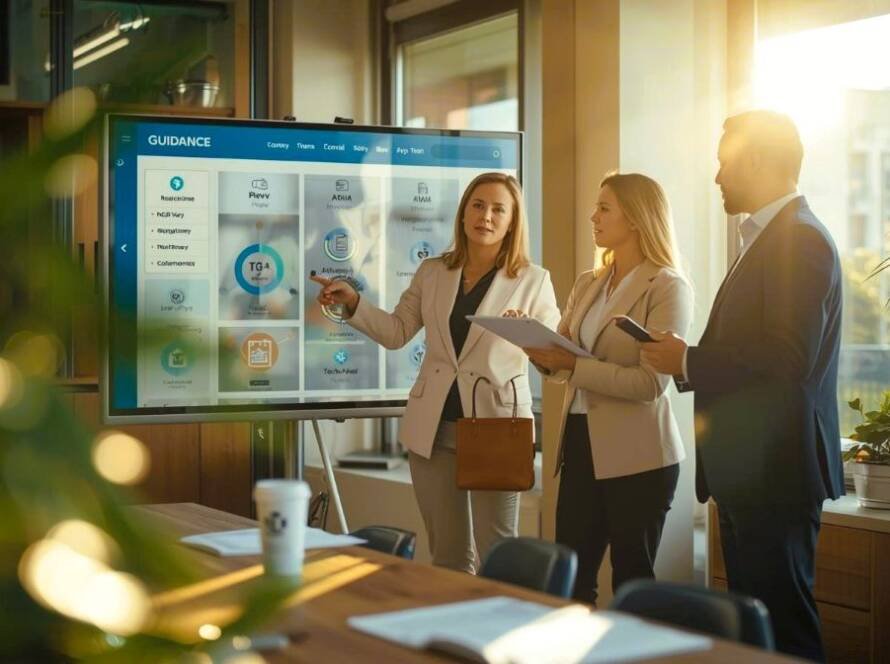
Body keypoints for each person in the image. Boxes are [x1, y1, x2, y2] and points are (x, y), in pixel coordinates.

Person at [641, 110, 844, 662]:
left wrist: (688, 360)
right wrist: (685, 361)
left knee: (783, 628)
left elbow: (787, 358)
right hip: (748, 473)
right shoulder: (768, 237)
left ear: (757, 161)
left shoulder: (799, 241)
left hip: (774, 476)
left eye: (724, 163)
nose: (716, 177)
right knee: (755, 631)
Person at [311, 172, 560, 572]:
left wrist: (528, 333)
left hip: (496, 429)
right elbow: (396, 333)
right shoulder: (433, 272)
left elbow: (553, 359)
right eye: (478, 206)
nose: (487, 216)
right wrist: (354, 302)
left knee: (497, 553)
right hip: (434, 429)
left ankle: (494, 632)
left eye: (499, 209)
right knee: (447, 554)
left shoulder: (533, 280)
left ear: (513, 221)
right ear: (463, 215)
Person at [525, 172, 692, 605]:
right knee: (570, 582)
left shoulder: (667, 286)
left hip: (640, 456)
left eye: (604, 208)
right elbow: (564, 361)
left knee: (632, 585)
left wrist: (572, 365)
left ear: (635, 218)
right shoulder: (588, 282)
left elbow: (649, 384)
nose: (593, 216)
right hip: (579, 444)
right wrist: (535, 346)